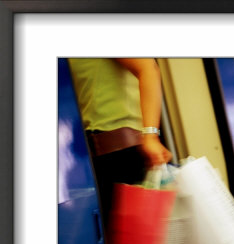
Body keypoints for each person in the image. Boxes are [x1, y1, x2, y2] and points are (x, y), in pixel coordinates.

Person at [68, 58, 172, 229]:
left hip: (124, 154)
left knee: (136, 241)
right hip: (94, 158)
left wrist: (151, 136)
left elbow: (148, 68)